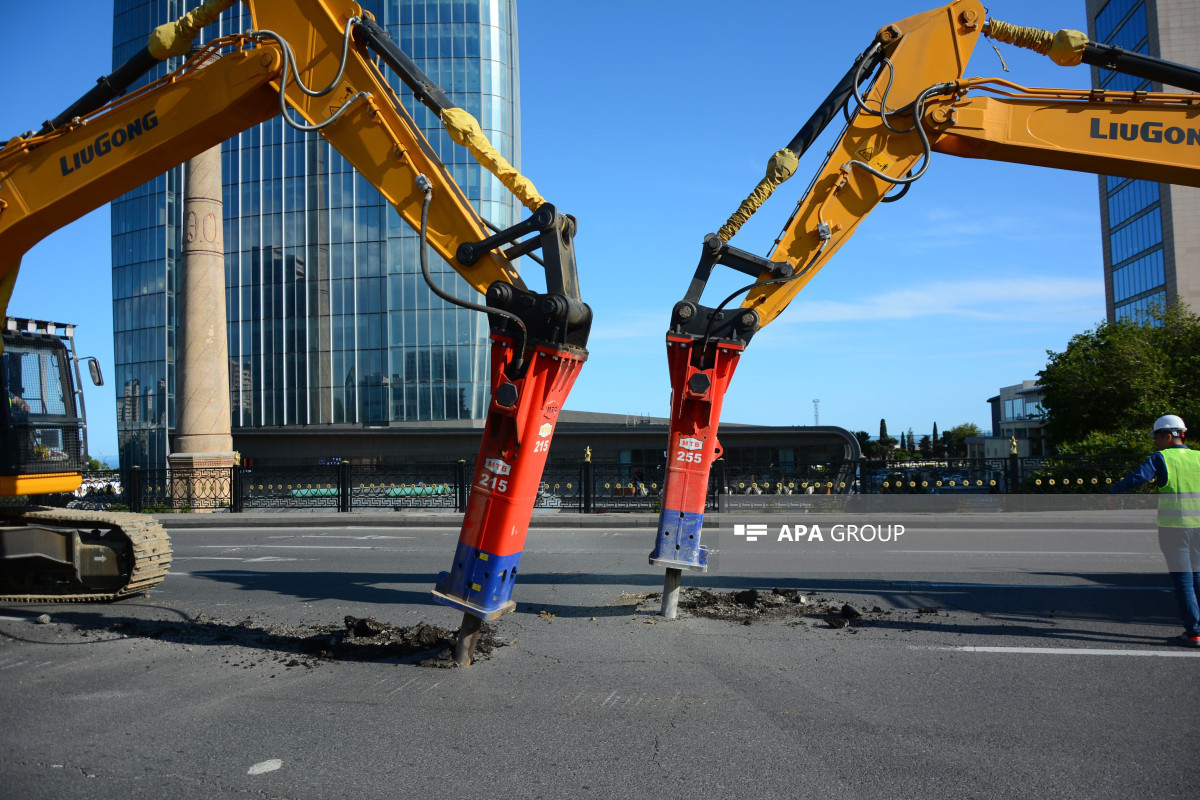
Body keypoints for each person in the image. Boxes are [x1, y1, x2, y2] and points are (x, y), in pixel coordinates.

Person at [1110, 414, 1200, 647]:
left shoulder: (1162, 458)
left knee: (1184, 582)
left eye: (1157, 437)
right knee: (1199, 578)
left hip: (1175, 528)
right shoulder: (1198, 457)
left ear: (1169, 436)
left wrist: (1113, 493)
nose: (1155, 442)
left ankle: (1194, 632)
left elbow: (1138, 478)